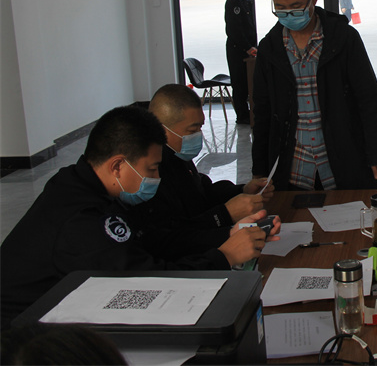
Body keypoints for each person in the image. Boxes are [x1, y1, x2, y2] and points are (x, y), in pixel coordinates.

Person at [0, 106, 277, 328]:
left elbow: (154, 240)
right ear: (118, 166)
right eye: (152, 169)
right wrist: (224, 256)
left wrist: (226, 236)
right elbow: (147, 285)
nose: (157, 178)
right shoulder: (81, 221)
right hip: (22, 342)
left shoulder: (85, 184)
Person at [251, 0, 377, 191]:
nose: (289, 14)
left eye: (296, 6)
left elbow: (369, 100)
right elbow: (262, 111)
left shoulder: (344, 39)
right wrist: (259, 168)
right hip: (293, 167)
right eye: (280, 8)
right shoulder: (269, 49)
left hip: (342, 160)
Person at [131, 84, 275, 250]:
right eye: (193, 130)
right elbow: (171, 237)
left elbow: (201, 192)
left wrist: (242, 190)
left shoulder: (177, 153)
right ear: (161, 130)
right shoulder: (148, 173)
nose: (199, 136)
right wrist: (225, 214)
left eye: (200, 127)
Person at [225, 0, 258, 124]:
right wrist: (247, 47)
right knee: (239, 84)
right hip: (237, 49)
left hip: (247, 48)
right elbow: (234, 30)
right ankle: (242, 116)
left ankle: (249, 114)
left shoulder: (244, 0)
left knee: (247, 82)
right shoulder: (234, 2)